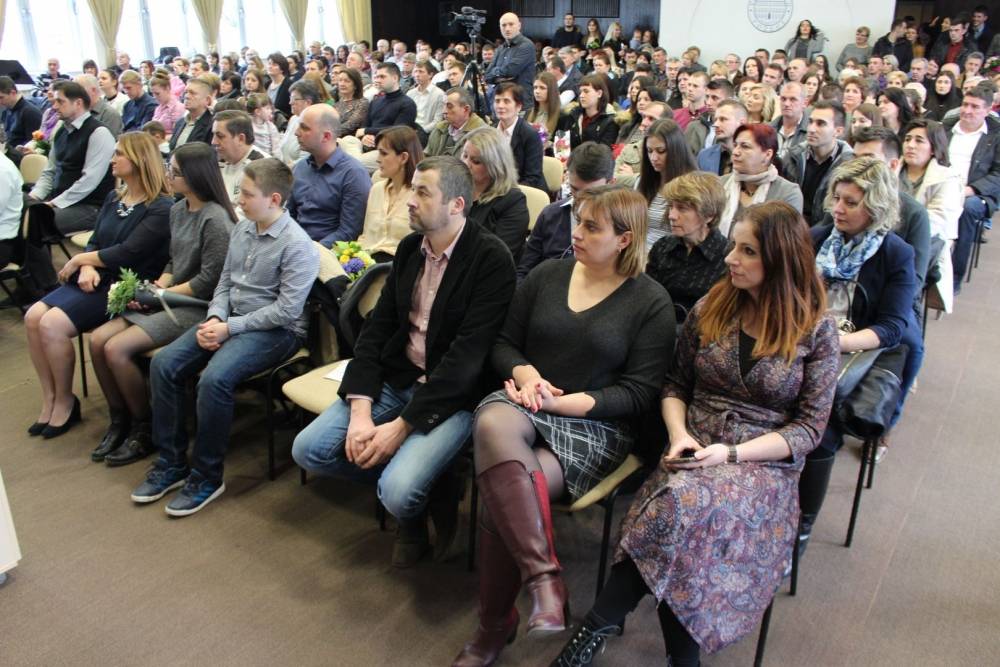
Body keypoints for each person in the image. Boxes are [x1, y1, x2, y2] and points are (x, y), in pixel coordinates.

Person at [551, 201, 838, 667]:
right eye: (734, 246)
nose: (730, 258)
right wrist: (679, 435)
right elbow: (675, 384)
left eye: (747, 251)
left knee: (680, 507)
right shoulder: (713, 306)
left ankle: (592, 632)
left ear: (781, 260)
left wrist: (731, 454)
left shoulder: (815, 328)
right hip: (693, 444)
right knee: (685, 509)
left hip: (762, 464)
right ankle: (678, 659)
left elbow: (808, 429)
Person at [452, 185, 675, 667]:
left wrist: (563, 403)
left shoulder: (650, 301)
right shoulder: (548, 274)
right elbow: (504, 344)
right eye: (579, 221)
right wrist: (527, 375)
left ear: (624, 239)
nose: (576, 232)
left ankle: (494, 625)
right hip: (525, 401)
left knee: (507, 484)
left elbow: (638, 393)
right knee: (494, 427)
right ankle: (543, 577)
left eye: (592, 227)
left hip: (596, 424)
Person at [294, 155, 516, 566]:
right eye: (412, 189)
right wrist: (361, 412)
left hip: (453, 395)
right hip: (399, 376)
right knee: (310, 450)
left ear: (456, 205)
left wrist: (398, 430)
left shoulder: (491, 259)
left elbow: (465, 362)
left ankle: (411, 501)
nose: (410, 200)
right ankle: (430, 488)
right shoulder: (412, 247)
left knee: (398, 490)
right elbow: (376, 332)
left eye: (423, 192)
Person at [131, 158, 318, 516]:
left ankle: (207, 477)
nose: (238, 200)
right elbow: (225, 284)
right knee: (164, 365)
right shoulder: (243, 229)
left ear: (274, 199)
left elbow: (286, 312)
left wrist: (228, 328)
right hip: (231, 319)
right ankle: (172, 463)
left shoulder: (298, 245)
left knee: (214, 380)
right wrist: (216, 316)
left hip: (277, 332)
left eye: (246, 194)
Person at [798, 157, 919, 552]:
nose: (838, 208)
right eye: (836, 198)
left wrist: (833, 341)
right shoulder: (816, 238)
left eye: (850, 202)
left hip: (855, 351)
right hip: (803, 341)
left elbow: (892, 328)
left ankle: (802, 523)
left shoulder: (895, 253)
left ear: (876, 207)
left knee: (821, 425)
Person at [88, 142, 235, 466]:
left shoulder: (215, 218)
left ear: (195, 177)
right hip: (171, 298)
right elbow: (172, 260)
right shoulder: (178, 210)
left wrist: (161, 294)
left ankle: (144, 427)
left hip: (198, 307)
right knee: (97, 341)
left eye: (175, 172)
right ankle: (120, 419)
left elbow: (209, 282)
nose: (168, 175)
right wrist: (160, 285)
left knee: (115, 349)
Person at [24, 133, 172, 440]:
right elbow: (95, 240)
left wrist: (82, 260)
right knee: (32, 317)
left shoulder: (160, 207)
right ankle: (52, 397)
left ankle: (65, 402)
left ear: (139, 160)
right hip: (95, 276)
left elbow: (129, 252)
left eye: (119, 154)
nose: (112, 159)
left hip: (124, 284)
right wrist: (87, 264)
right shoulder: (114, 198)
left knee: (51, 324)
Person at [21, 80, 116, 295]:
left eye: (60, 101)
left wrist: (53, 204)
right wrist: (35, 197)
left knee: (36, 220)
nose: (54, 106)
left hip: (92, 207)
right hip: (62, 202)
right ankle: (30, 282)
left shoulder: (99, 133)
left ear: (78, 103)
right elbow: (50, 171)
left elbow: (89, 181)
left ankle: (45, 286)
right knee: (23, 210)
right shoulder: (61, 131)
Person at [519, 141, 613, 280]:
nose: (580, 198)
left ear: (610, 184)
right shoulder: (550, 215)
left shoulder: (619, 223)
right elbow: (524, 270)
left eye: (591, 193)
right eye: (574, 189)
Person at [645, 171, 729, 319]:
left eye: (682, 208)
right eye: (671, 206)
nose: (671, 215)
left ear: (709, 215)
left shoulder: (726, 256)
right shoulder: (662, 247)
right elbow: (648, 296)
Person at [287, 104, 371, 247]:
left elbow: (349, 231)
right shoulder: (300, 167)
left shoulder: (353, 174)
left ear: (326, 136)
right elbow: (289, 216)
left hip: (327, 252)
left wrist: (311, 250)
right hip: (296, 245)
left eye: (304, 128)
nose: (296, 132)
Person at [942, 82, 1000, 290]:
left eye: (975, 107)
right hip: (941, 186)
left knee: (967, 209)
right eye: (965, 104)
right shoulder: (945, 129)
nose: (967, 110)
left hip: (975, 193)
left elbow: (998, 174)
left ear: (988, 110)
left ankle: (953, 278)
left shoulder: (995, 136)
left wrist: (970, 190)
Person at [350, 125, 424, 261]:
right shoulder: (376, 189)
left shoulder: (420, 197)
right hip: (366, 260)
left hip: (396, 265)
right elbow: (365, 236)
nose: (378, 159)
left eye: (383, 153)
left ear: (403, 157)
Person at [719, 123, 804, 237]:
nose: (735, 152)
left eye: (745, 146)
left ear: (767, 154)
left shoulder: (787, 193)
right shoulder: (720, 184)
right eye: (735, 145)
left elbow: (783, 240)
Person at [461, 126, 530, 260]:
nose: (465, 164)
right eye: (465, 155)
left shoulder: (513, 202)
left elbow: (498, 257)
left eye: (476, 161)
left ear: (495, 166)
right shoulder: (456, 189)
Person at [782, 100, 854, 224]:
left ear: (838, 131)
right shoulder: (793, 156)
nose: (811, 129)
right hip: (791, 225)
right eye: (810, 122)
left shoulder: (849, 165)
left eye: (821, 124)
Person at [637, 119, 697, 246]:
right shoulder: (643, 182)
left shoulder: (692, 186)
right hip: (639, 252)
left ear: (676, 150)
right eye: (649, 151)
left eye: (661, 151)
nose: (653, 158)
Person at [493, 82, 545, 190]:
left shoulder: (530, 135)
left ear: (518, 107)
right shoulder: (491, 131)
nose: (500, 106)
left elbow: (532, 178)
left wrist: (508, 194)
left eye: (506, 101)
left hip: (524, 191)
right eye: (497, 101)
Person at [212, 110, 266, 214]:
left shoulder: (261, 167)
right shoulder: (218, 160)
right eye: (213, 135)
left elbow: (246, 216)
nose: (213, 141)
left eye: (220, 136)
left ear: (241, 138)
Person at [486, 13, 537, 111]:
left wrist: (495, 73)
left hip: (519, 103)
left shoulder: (527, 45)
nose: (507, 28)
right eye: (504, 25)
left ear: (519, 25)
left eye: (511, 24)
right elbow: (487, 76)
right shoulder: (500, 48)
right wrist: (500, 75)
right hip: (499, 103)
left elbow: (510, 71)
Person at [559, 74, 618, 149]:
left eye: (586, 91)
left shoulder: (610, 122)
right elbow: (563, 143)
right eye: (580, 92)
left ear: (599, 93)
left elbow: (604, 151)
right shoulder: (574, 114)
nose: (581, 95)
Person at [425, 88, 488, 158]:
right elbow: (426, 157)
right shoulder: (439, 129)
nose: (444, 111)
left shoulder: (483, 135)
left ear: (466, 109)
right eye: (443, 105)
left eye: (449, 106)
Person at [697, 100, 747, 176]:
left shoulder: (753, 156)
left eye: (723, 119)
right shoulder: (704, 156)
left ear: (741, 123)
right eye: (715, 120)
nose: (715, 124)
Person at [0, 76, 43, 166]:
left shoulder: (30, 112)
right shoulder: (6, 110)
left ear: (13, 93)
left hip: (20, 162)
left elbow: (33, 145)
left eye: (1, 97)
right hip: (7, 157)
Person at [278, 79, 321, 166]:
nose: (290, 102)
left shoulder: (315, 125)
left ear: (308, 102)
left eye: (294, 99)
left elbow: (306, 160)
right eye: (290, 98)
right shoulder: (294, 119)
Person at [168, 78, 215, 152]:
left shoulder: (212, 126)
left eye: (192, 93)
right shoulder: (179, 122)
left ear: (207, 100)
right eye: (186, 92)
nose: (187, 96)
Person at [406, 60, 445, 144]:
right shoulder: (410, 93)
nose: (417, 75)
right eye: (415, 71)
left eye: (421, 71)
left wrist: (421, 131)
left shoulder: (439, 94)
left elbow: (438, 121)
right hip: (410, 130)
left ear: (430, 74)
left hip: (426, 133)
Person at [76, 74, 123, 139]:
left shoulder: (109, 114)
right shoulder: (79, 112)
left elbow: (107, 141)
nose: (75, 95)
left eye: (79, 91)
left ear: (93, 90)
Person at [774, 81, 809, 158]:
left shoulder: (811, 132)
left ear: (805, 103)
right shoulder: (768, 128)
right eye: (783, 99)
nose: (786, 104)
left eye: (793, 99)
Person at [245, 93, 282, 158]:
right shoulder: (246, 126)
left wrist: (278, 161)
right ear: (258, 112)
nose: (271, 111)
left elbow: (276, 149)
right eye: (268, 108)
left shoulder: (271, 127)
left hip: (268, 160)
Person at [266, 52, 293, 117]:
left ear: (282, 69)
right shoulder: (266, 84)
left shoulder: (289, 85)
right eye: (269, 63)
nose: (270, 66)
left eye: (274, 65)